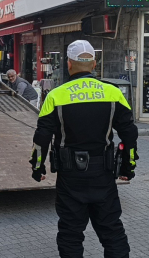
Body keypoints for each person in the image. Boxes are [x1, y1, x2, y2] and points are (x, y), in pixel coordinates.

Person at [29, 40, 138, 258]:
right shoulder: (113, 92)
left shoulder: (56, 96)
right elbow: (129, 134)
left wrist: (38, 168)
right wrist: (128, 166)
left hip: (70, 178)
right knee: (112, 232)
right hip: (103, 175)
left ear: (69, 64)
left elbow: (41, 138)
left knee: (71, 233)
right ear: (94, 64)